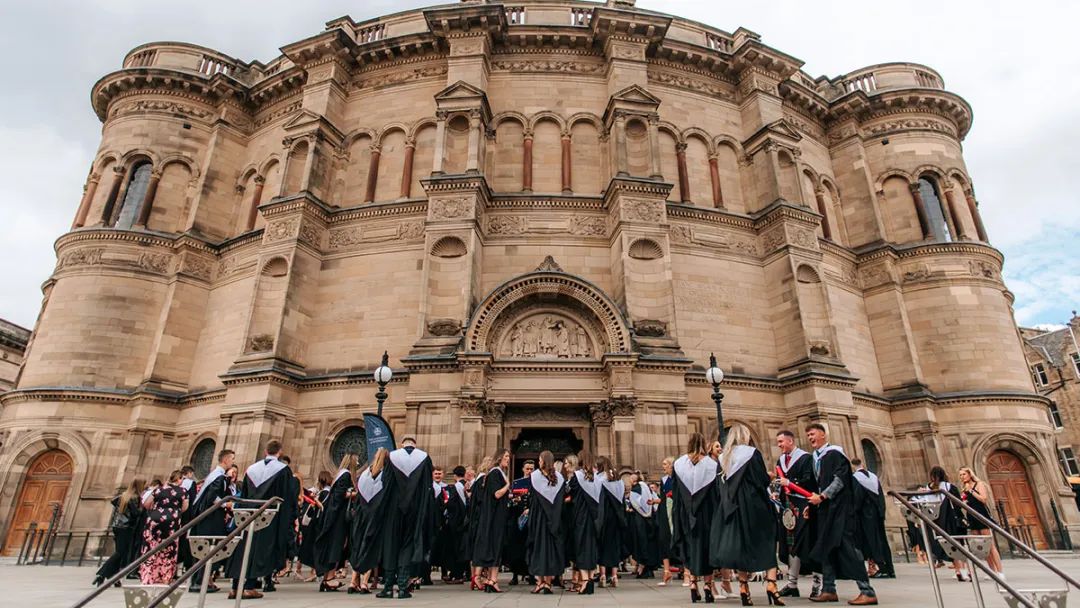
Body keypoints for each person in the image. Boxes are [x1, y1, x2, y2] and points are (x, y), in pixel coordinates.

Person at [710, 425, 784, 606]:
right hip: (754, 505)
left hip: (732, 507)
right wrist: (769, 477)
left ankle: (743, 587)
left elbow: (720, 486)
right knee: (767, 540)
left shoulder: (723, 457)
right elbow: (760, 481)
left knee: (742, 546)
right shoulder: (752, 453)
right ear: (745, 436)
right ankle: (772, 585)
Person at [805, 423, 877, 605]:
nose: (810, 438)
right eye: (808, 435)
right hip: (826, 510)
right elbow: (818, 483)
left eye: (812, 434)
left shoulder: (835, 454)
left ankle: (867, 591)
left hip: (840, 511)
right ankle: (829, 589)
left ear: (823, 435)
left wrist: (822, 496)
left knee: (848, 548)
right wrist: (812, 505)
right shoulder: (816, 457)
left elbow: (840, 480)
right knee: (826, 548)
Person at [226, 439, 298, 600]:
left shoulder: (251, 469)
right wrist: (291, 517)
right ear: (279, 452)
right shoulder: (283, 470)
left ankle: (235, 586)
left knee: (243, 548)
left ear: (266, 451)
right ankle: (250, 586)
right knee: (259, 551)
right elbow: (287, 497)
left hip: (247, 515)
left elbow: (243, 495)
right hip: (268, 518)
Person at [377, 437, 436, 599]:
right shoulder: (424, 458)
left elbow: (385, 482)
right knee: (407, 545)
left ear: (402, 444)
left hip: (393, 510)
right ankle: (403, 587)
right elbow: (428, 487)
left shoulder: (392, 457)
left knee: (391, 545)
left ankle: (388, 587)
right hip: (414, 510)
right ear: (415, 445)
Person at [671, 432, 719, 603]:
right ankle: (707, 585)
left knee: (689, 547)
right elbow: (716, 494)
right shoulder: (712, 465)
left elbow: (676, 494)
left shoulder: (679, 464)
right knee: (706, 548)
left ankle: (692, 584)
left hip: (686, 513)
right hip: (706, 513)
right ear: (704, 444)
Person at [775, 429, 820, 598]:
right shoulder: (781, 460)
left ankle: (817, 584)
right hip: (788, 507)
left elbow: (810, 481)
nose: (779, 445)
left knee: (809, 544)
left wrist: (791, 483)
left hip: (804, 506)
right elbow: (780, 482)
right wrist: (777, 491)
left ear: (790, 441)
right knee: (790, 546)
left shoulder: (805, 458)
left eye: (781, 442)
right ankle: (792, 584)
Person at [187, 449, 236, 592]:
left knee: (207, 549)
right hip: (209, 518)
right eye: (232, 459)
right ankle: (199, 582)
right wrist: (225, 503)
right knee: (207, 548)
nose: (233, 461)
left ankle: (204, 581)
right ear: (225, 460)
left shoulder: (216, 475)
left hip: (207, 517)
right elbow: (212, 497)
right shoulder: (218, 477)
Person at [348, 448, 390, 594]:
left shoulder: (364, 475)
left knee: (358, 547)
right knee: (370, 548)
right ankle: (365, 583)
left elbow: (358, 499)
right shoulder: (385, 476)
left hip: (360, 517)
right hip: (375, 517)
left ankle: (353, 582)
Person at [314, 453, 357, 591]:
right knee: (336, 545)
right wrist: (356, 493)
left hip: (334, 516)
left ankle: (327, 578)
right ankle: (330, 578)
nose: (357, 464)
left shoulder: (339, 475)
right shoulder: (345, 475)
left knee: (334, 544)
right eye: (356, 461)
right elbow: (340, 495)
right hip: (338, 518)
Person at [471, 449, 511, 593]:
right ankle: (492, 580)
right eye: (506, 456)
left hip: (497, 516)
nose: (508, 459)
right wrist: (508, 485)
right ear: (499, 457)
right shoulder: (495, 473)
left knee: (496, 547)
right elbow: (497, 494)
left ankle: (491, 579)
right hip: (494, 518)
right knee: (495, 546)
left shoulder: (497, 473)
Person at [526, 450, 566, 594]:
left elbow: (531, 497)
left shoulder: (534, 477)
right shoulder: (559, 478)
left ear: (544, 461)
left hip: (539, 519)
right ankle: (548, 583)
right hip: (554, 520)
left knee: (538, 548)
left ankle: (540, 582)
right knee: (551, 550)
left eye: (540, 459)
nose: (538, 461)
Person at [139, 470, 189, 584]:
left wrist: (156, 509)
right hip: (172, 522)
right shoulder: (182, 491)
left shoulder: (159, 489)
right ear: (179, 479)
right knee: (169, 549)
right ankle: (165, 576)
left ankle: (148, 576)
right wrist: (173, 511)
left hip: (154, 520)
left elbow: (146, 503)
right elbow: (185, 507)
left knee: (150, 547)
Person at [94, 479, 146, 587]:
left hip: (117, 526)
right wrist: (143, 507)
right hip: (126, 528)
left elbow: (113, 501)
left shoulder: (124, 496)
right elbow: (136, 513)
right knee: (120, 553)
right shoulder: (134, 498)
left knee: (120, 553)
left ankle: (114, 578)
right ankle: (101, 574)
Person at [850, 459, 894, 579]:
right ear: (862, 465)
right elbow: (880, 497)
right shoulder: (873, 477)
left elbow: (857, 498)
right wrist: (881, 513)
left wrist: (853, 512)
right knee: (882, 540)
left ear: (853, 467)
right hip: (878, 514)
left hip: (865, 516)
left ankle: (881, 568)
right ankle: (890, 569)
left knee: (871, 542)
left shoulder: (856, 478)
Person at [958, 466, 1004, 579]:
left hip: (981, 514)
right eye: (960, 475)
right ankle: (992, 571)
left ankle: (1000, 572)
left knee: (990, 544)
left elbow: (983, 499)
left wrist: (971, 491)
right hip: (971, 516)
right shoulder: (964, 487)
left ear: (970, 474)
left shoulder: (979, 484)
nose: (962, 477)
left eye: (963, 474)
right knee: (982, 545)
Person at [928, 465, 969, 582]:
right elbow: (958, 504)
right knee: (959, 544)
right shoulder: (950, 487)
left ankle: (957, 570)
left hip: (940, 521)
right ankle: (965, 571)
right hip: (953, 519)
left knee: (950, 546)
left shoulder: (931, 489)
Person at [569, 450, 602, 594]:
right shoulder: (596, 478)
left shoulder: (577, 477)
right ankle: (590, 578)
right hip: (594, 517)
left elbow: (568, 491)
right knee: (591, 547)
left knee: (581, 547)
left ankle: (585, 580)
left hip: (580, 516)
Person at [597, 455, 627, 588]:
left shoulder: (599, 479)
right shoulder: (617, 479)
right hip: (616, 518)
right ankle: (614, 575)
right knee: (614, 546)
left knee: (602, 545)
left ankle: (603, 575)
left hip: (603, 518)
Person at [507, 459, 535, 586]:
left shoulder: (536, 483)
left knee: (530, 547)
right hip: (518, 518)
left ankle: (531, 574)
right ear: (523, 469)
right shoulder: (517, 483)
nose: (529, 471)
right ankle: (515, 575)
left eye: (531, 469)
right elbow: (511, 501)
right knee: (516, 547)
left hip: (531, 519)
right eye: (527, 468)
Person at [440, 465, 470, 583]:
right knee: (462, 548)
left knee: (455, 549)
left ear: (454, 475)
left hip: (456, 523)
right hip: (466, 521)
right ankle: (461, 573)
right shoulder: (467, 486)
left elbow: (450, 505)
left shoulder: (454, 487)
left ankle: (457, 574)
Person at [466, 455, 492, 589]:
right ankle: (477, 576)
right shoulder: (483, 480)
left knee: (476, 545)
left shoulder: (477, 481)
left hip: (475, 518)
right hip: (481, 518)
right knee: (480, 546)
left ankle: (475, 576)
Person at [298, 471, 330, 579]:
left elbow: (323, 508)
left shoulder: (324, 493)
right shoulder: (326, 492)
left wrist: (316, 501)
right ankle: (315, 572)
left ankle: (317, 572)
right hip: (319, 524)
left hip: (319, 524)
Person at [629, 471, 660, 579]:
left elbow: (636, 503)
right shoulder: (646, 487)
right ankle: (649, 570)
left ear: (633, 481)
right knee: (649, 543)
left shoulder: (636, 489)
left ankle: (642, 568)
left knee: (641, 543)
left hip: (639, 520)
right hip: (650, 519)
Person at [656, 457, 676, 586]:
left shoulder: (677, 478)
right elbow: (662, 498)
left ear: (671, 465)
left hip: (675, 510)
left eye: (665, 464)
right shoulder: (663, 480)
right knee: (664, 539)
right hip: (664, 511)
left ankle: (686, 573)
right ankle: (667, 571)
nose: (663, 466)